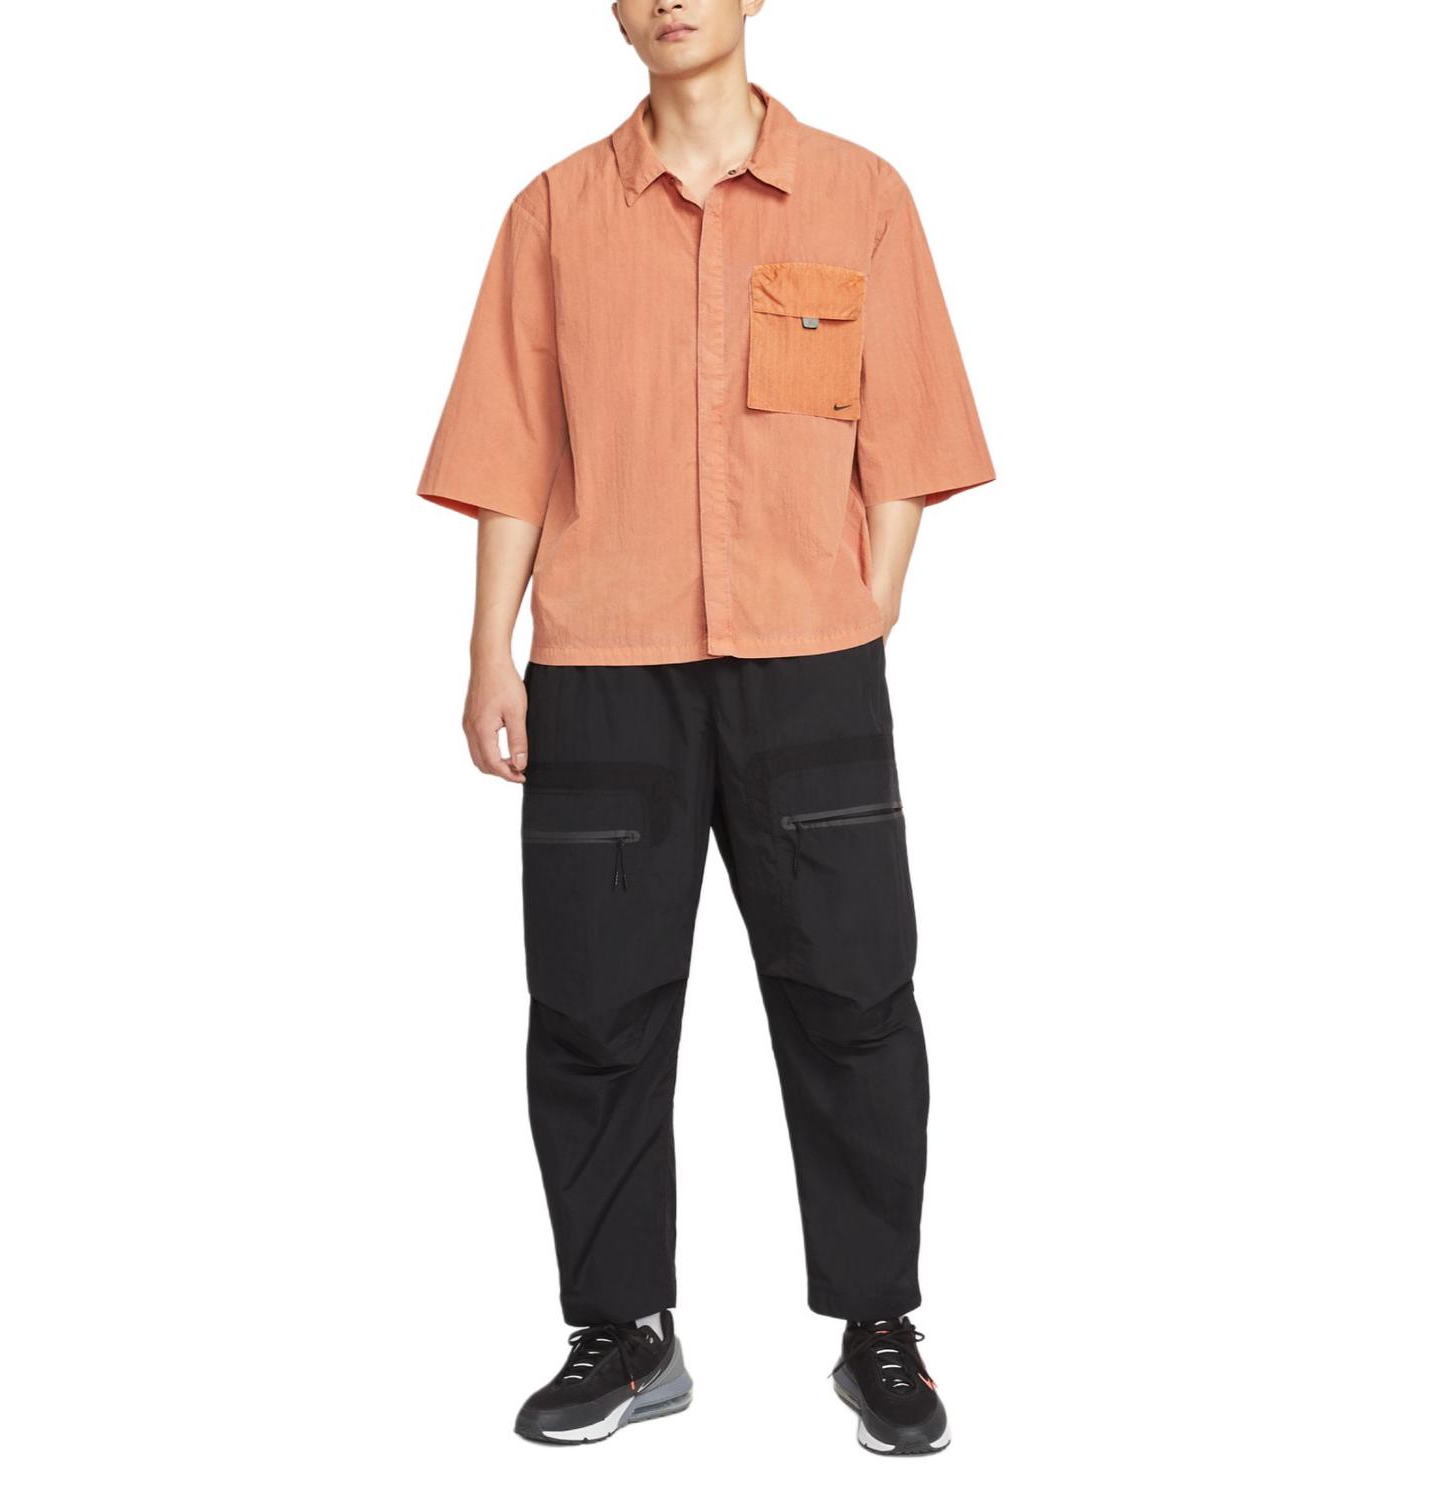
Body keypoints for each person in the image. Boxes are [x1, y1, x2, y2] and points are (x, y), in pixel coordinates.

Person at [417, 0, 993, 1455]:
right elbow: (512, 448)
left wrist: (870, 597)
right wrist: (490, 650)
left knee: (854, 999)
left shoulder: (860, 194)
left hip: (810, 666)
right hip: (605, 666)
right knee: (593, 1012)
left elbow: (908, 425)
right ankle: (622, 1331)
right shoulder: (553, 214)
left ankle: (879, 1327)